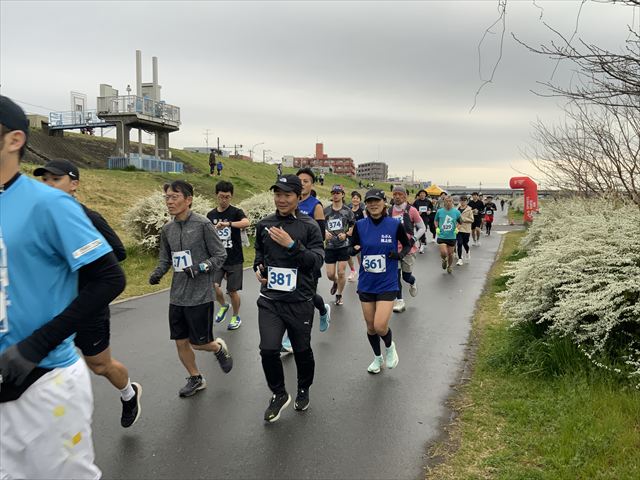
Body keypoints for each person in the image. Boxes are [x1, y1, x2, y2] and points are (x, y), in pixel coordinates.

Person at [0, 96, 125, 478]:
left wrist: (37, 344)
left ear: (14, 140)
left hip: (42, 380)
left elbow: (110, 277)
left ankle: (128, 391)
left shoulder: (49, 204)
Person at [34, 159, 141, 428]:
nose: (48, 185)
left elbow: (118, 253)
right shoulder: (37, 221)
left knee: (100, 365)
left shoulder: (89, 218)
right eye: (45, 180)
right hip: (50, 306)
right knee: (44, 363)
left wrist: (83, 260)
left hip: (87, 304)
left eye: (56, 179)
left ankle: (129, 393)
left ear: (74, 184)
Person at [149, 180, 233, 397]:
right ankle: (196, 378)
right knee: (180, 342)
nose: (169, 201)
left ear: (188, 200)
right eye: (167, 197)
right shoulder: (167, 229)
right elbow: (165, 259)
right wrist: (158, 273)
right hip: (177, 295)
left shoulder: (203, 225)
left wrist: (201, 267)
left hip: (200, 295)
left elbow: (220, 255)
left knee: (199, 343)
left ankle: (218, 347)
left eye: (174, 197)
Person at [253, 174, 324, 422]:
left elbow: (316, 262)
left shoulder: (309, 226)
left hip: (300, 300)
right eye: (277, 194)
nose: (281, 200)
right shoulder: (264, 224)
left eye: (287, 195)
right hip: (270, 300)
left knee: (302, 350)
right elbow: (259, 253)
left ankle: (304, 388)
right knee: (268, 350)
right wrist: (259, 270)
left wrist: (292, 245)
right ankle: (279, 393)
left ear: (299, 196)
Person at [350, 189, 411, 373]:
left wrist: (400, 255)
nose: (373, 204)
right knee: (370, 327)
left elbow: (407, 244)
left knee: (379, 325)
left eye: (377, 201)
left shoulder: (394, 224)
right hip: (367, 283)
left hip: (387, 282)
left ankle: (390, 347)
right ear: (366, 205)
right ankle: (377, 358)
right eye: (369, 201)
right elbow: (351, 247)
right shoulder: (360, 225)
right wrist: (353, 249)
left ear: (385, 202)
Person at [207, 181, 250, 330]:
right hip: (217, 259)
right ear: (216, 195)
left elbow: (246, 222)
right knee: (213, 286)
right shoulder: (211, 215)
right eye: (221, 196)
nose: (224, 200)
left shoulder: (236, 212)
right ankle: (224, 305)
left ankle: (235, 316)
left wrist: (228, 224)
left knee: (232, 291)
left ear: (231, 196)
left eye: (227, 197)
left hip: (234, 258)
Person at [295, 168, 331, 334]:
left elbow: (321, 235)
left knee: (307, 294)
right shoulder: (289, 202)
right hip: (290, 256)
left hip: (308, 256)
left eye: (306, 181)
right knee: (292, 293)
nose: (302, 184)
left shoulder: (315, 205)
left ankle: (322, 310)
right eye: (299, 181)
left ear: (312, 184)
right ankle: (292, 331)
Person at [389, 186, 425, 313]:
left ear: (405, 196)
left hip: (408, 249)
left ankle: (412, 282)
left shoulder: (411, 210)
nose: (397, 197)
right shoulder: (389, 211)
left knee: (406, 276)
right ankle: (400, 301)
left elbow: (422, 228)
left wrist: (413, 239)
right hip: (394, 249)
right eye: (395, 194)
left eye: (400, 194)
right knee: (395, 276)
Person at [324, 185, 355, 306]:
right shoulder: (326, 210)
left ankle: (339, 295)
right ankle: (336, 281)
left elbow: (353, 226)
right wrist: (324, 232)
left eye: (338, 193)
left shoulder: (348, 211)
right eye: (333, 193)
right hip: (330, 246)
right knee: (330, 274)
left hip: (343, 245)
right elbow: (319, 225)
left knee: (341, 272)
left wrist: (346, 234)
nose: (335, 195)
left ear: (342, 194)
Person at [434, 195, 462, 274]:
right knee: (444, 252)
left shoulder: (456, 212)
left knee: (450, 254)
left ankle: (449, 266)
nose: (448, 203)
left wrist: (457, 228)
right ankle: (444, 260)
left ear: (452, 202)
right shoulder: (439, 211)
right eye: (447, 201)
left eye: (450, 201)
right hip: (442, 235)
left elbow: (460, 222)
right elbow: (435, 220)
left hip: (452, 236)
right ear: (444, 202)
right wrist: (437, 227)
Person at [347, 191, 365, 281]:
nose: (355, 200)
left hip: (359, 236)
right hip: (349, 235)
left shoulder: (362, 211)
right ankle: (353, 270)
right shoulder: (348, 211)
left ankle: (362, 272)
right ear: (351, 199)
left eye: (357, 198)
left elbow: (366, 223)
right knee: (347, 254)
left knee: (359, 255)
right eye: (354, 198)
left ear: (360, 200)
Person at [455, 195, 474, 266]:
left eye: (464, 201)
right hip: (458, 228)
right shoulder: (456, 209)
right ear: (460, 201)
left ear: (467, 201)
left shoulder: (469, 210)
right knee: (459, 243)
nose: (463, 202)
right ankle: (460, 259)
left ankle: (467, 251)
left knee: (465, 243)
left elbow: (472, 220)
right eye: (461, 200)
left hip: (466, 229)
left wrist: (463, 219)